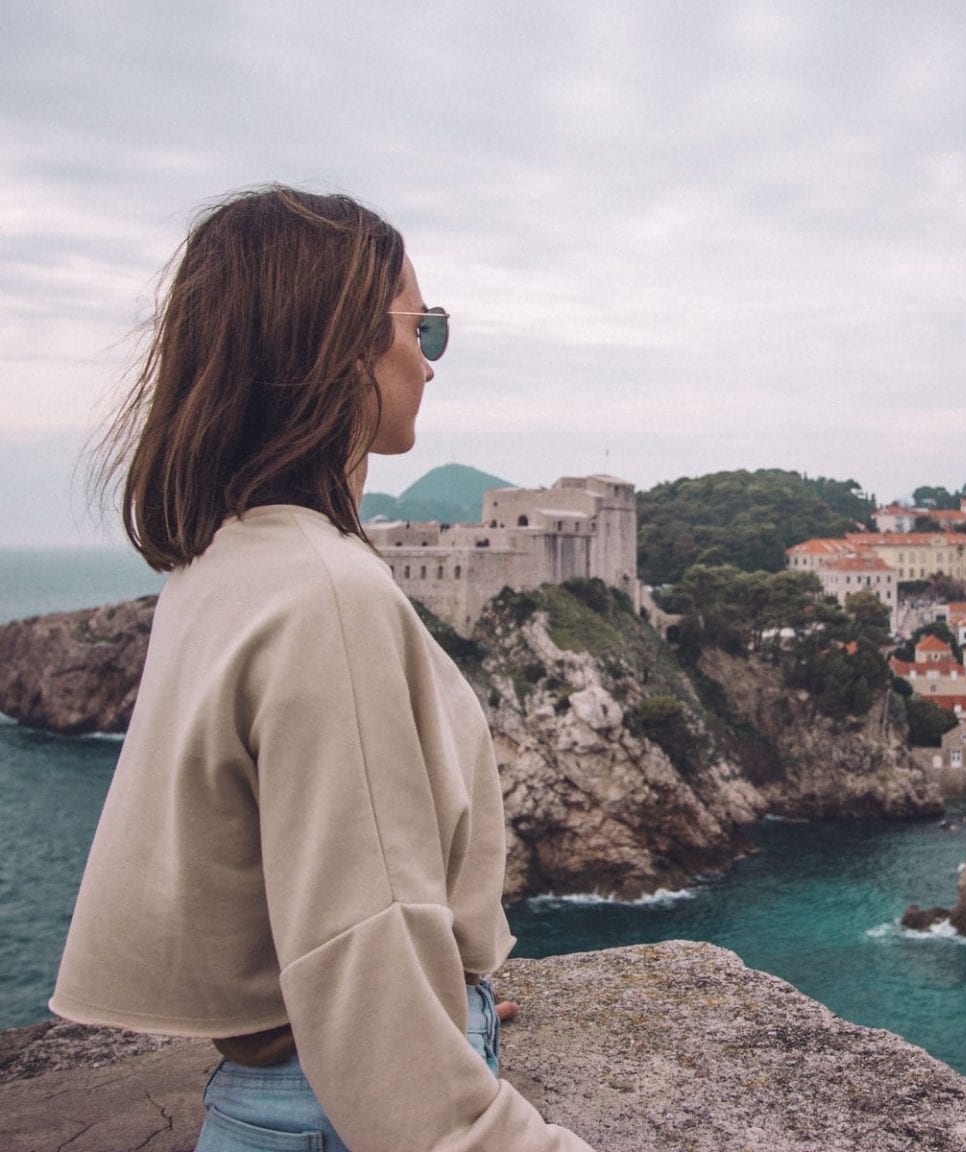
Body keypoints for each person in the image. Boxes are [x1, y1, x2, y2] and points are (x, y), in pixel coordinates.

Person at [52, 186, 594, 1151]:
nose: (429, 362)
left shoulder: (224, 561)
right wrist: (420, 1038)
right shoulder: (325, 591)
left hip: (269, 1092)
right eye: (420, 326)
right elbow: (364, 950)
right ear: (339, 342)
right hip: (334, 1107)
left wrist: (441, 997)